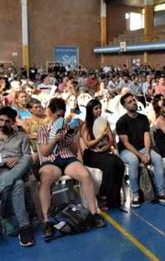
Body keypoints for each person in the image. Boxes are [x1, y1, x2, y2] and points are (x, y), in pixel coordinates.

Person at [37, 98, 105, 239]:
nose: (60, 118)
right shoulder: (43, 129)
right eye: (57, 115)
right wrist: (54, 140)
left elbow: (74, 149)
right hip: (51, 160)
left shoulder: (67, 127)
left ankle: (94, 213)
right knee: (44, 180)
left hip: (67, 158)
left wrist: (72, 136)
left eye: (62, 115)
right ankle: (47, 221)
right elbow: (44, 152)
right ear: (50, 112)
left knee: (85, 175)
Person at [0, 107, 35, 247]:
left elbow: (26, 157)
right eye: (1, 120)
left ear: (13, 122)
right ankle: (24, 227)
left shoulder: (21, 136)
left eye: (7, 121)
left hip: (18, 167)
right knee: (18, 184)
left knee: (28, 158)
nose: (3, 124)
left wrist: (16, 158)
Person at [116, 93, 165, 208]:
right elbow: (126, 143)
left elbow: (147, 136)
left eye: (133, 100)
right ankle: (135, 194)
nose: (133, 102)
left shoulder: (143, 118)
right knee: (133, 160)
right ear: (124, 106)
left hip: (143, 148)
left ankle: (161, 192)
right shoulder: (121, 122)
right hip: (126, 150)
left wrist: (147, 153)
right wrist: (140, 155)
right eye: (129, 102)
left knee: (157, 158)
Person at [81, 99, 124, 209]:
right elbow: (88, 144)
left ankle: (114, 199)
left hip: (103, 151)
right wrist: (100, 136)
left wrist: (105, 147)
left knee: (119, 164)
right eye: (96, 109)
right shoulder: (86, 125)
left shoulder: (105, 122)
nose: (99, 111)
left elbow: (110, 140)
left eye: (100, 108)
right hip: (91, 154)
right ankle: (103, 195)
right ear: (90, 111)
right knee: (110, 164)